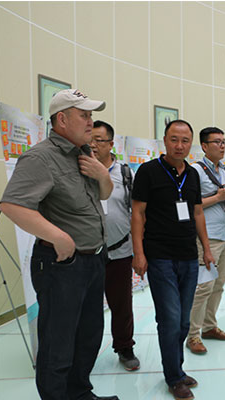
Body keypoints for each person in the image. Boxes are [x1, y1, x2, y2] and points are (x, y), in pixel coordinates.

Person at [0, 89, 118, 400]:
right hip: (62, 265)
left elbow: (103, 195)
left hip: (93, 260)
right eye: (84, 115)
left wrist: (103, 174)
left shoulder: (85, 154)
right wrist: (58, 236)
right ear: (62, 119)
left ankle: (80, 393)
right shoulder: (40, 157)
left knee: (88, 336)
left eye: (91, 116)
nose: (91, 122)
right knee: (58, 343)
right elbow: (12, 205)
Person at [131, 120, 215, 400]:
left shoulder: (192, 174)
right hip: (159, 257)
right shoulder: (148, 172)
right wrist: (139, 253)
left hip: (188, 257)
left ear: (191, 143)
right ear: (164, 140)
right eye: (174, 139)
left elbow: (198, 213)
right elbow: (138, 214)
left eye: (185, 140)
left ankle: (176, 368)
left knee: (182, 322)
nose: (179, 146)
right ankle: (174, 377)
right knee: (169, 319)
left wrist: (206, 248)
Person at [186, 127, 225, 355]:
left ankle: (209, 327)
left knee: (218, 285)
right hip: (207, 238)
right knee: (204, 287)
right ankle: (193, 335)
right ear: (204, 146)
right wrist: (217, 197)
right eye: (217, 142)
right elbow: (189, 204)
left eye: (224, 142)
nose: (222, 146)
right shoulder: (195, 171)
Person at [90, 120, 140, 371]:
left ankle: (124, 347)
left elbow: (137, 212)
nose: (93, 144)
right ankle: (84, 352)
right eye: (89, 139)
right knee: (86, 306)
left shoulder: (125, 173)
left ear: (111, 144)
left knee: (121, 304)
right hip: (86, 252)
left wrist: (140, 251)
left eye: (98, 140)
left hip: (119, 250)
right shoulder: (81, 168)